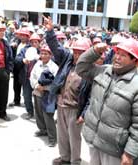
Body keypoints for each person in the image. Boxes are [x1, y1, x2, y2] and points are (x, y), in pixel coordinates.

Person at [75, 38, 138, 165]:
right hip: (94, 141)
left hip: (114, 150)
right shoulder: (103, 71)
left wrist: (129, 153)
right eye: (117, 53)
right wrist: (94, 51)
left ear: (134, 60)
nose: (117, 57)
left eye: (123, 55)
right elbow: (81, 68)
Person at [43, 16, 91, 165]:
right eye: (75, 51)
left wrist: (84, 114)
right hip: (62, 104)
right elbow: (56, 47)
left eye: (81, 52)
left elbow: (91, 97)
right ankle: (64, 157)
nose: (77, 55)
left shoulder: (90, 71)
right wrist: (50, 31)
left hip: (75, 109)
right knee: (62, 134)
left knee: (74, 137)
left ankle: (75, 161)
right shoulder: (67, 59)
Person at [30, 45, 58, 147]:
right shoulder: (37, 64)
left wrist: (45, 88)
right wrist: (36, 85)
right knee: (38, 113)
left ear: (50, 55)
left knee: (48, 115)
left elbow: (56, 82)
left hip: (48, 95)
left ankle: (52, 138)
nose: (43, 55)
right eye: (42, 53)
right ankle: (42, 130)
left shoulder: (54, 67)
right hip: (37, 92)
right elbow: (32, 76)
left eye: (46, 53)